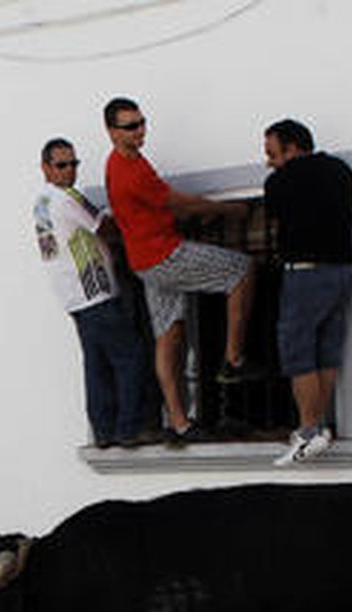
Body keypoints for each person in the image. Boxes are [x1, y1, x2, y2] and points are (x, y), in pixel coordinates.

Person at [103, 97, 256, 444]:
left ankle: (177, 421)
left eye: (142, 123)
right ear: (112, 132)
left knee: (169, 334)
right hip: (164, 255)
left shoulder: (119, 162)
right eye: (130, 126)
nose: (140, 131)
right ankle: (233, 358)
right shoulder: (132, 173)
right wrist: (227, 210)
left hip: (143, 263)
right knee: (242, 270)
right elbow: (179, 203)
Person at [33, 138, 148, 448]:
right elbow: (104, 227)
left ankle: (103, 432)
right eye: (62, 165)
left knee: (96, 366)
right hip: (94, 292)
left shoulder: (41, 202)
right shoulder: (67, 197)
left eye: (74, 164)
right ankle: (129, 430)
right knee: (131, 356)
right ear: (46, 168)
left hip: (72, 296)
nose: (70, 171)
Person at [263, 118, 352, 467]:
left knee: (298, 349)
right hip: (344, 271)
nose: (269, 161)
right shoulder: (341, 171)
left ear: (292, 148)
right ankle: (320, 429)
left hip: (306, 272)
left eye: (272, 153)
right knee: (327, 350)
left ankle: (307, 431)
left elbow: (276, 217)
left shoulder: (281, 181)